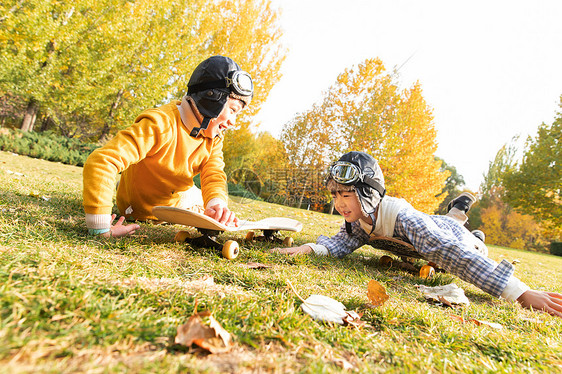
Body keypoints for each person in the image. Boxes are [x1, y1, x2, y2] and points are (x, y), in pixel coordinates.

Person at [274, 151, 562, 317]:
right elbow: (344, 241)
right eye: (335, 194)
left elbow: (455, 256)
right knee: (445, 221)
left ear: (369, 194)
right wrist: (312, 249)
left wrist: (519, 292)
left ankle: (472, 228)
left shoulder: (404, 219)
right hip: (432, 227)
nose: (338, 203)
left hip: (453, 240)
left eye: (346, 195)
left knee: (468, 241)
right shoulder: (359, 219)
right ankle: (458, 208)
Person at [82, 55, 253, 237]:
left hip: (176, 200)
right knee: (194, 196)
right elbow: (102, 162)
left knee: (208, 201)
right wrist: (100, 228)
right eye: (233, 110)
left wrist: (217, 206)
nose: (233, 122)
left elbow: (214, 174)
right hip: (138, 209)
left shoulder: (213, 138)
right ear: (212, 99)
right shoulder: (161, 124)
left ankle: (210, 210)